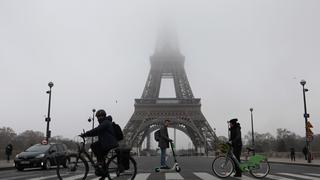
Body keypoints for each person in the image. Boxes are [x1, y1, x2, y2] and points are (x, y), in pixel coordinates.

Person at [80, 109, 119, 176]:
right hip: (108, 142)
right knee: (98, 151)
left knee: (94, 146)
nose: (98, 118)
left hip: (109, 143)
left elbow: (97, 130)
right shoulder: (104, 123)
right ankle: (103, 171)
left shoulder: (105, 123)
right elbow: (96, 132)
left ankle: (101, 163)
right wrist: (86, 135)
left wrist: (85, 134)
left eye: (99, 117)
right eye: (97, 117)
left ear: (103, 116)